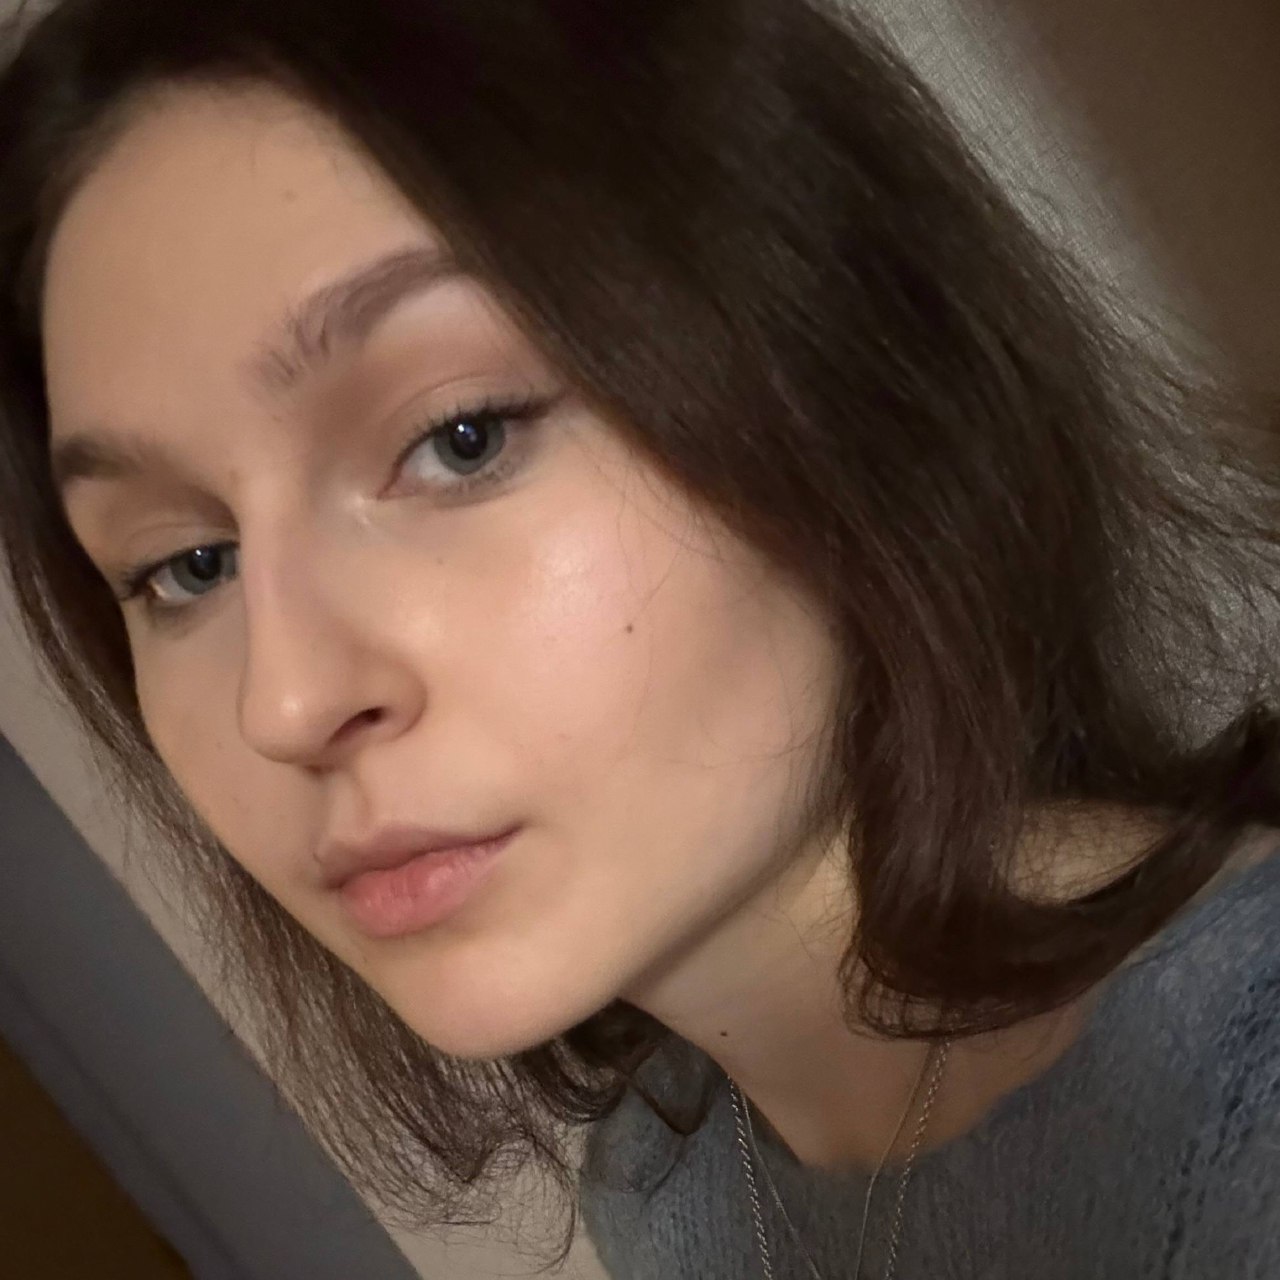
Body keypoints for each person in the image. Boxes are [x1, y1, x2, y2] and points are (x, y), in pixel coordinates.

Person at [1, 1, 1277, 1276]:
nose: (281, 703)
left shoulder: (1234, 1104)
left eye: (461, 438)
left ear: (836, 364)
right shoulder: (670, 1173)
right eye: (188, 563)